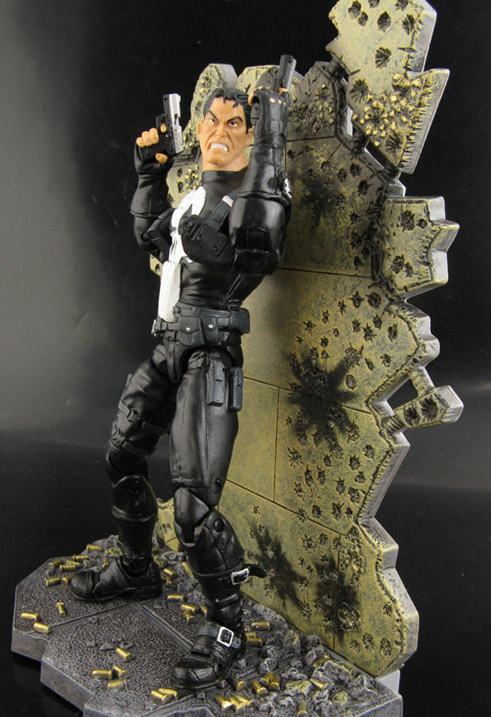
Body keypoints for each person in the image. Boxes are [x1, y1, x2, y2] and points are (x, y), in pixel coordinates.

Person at [70, 84, 291, 688]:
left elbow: (256, 243)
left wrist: (273, 142)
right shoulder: (195, 194)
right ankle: (137, 568)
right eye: (211, 120)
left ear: (252, 133)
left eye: (235, 122)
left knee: (193, 508)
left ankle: (226, 623)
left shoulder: (260, 192)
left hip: (210, 356)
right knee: (122, 458)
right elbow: (152, 236)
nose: (219, 130)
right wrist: (151, 172)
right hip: (168, 345)